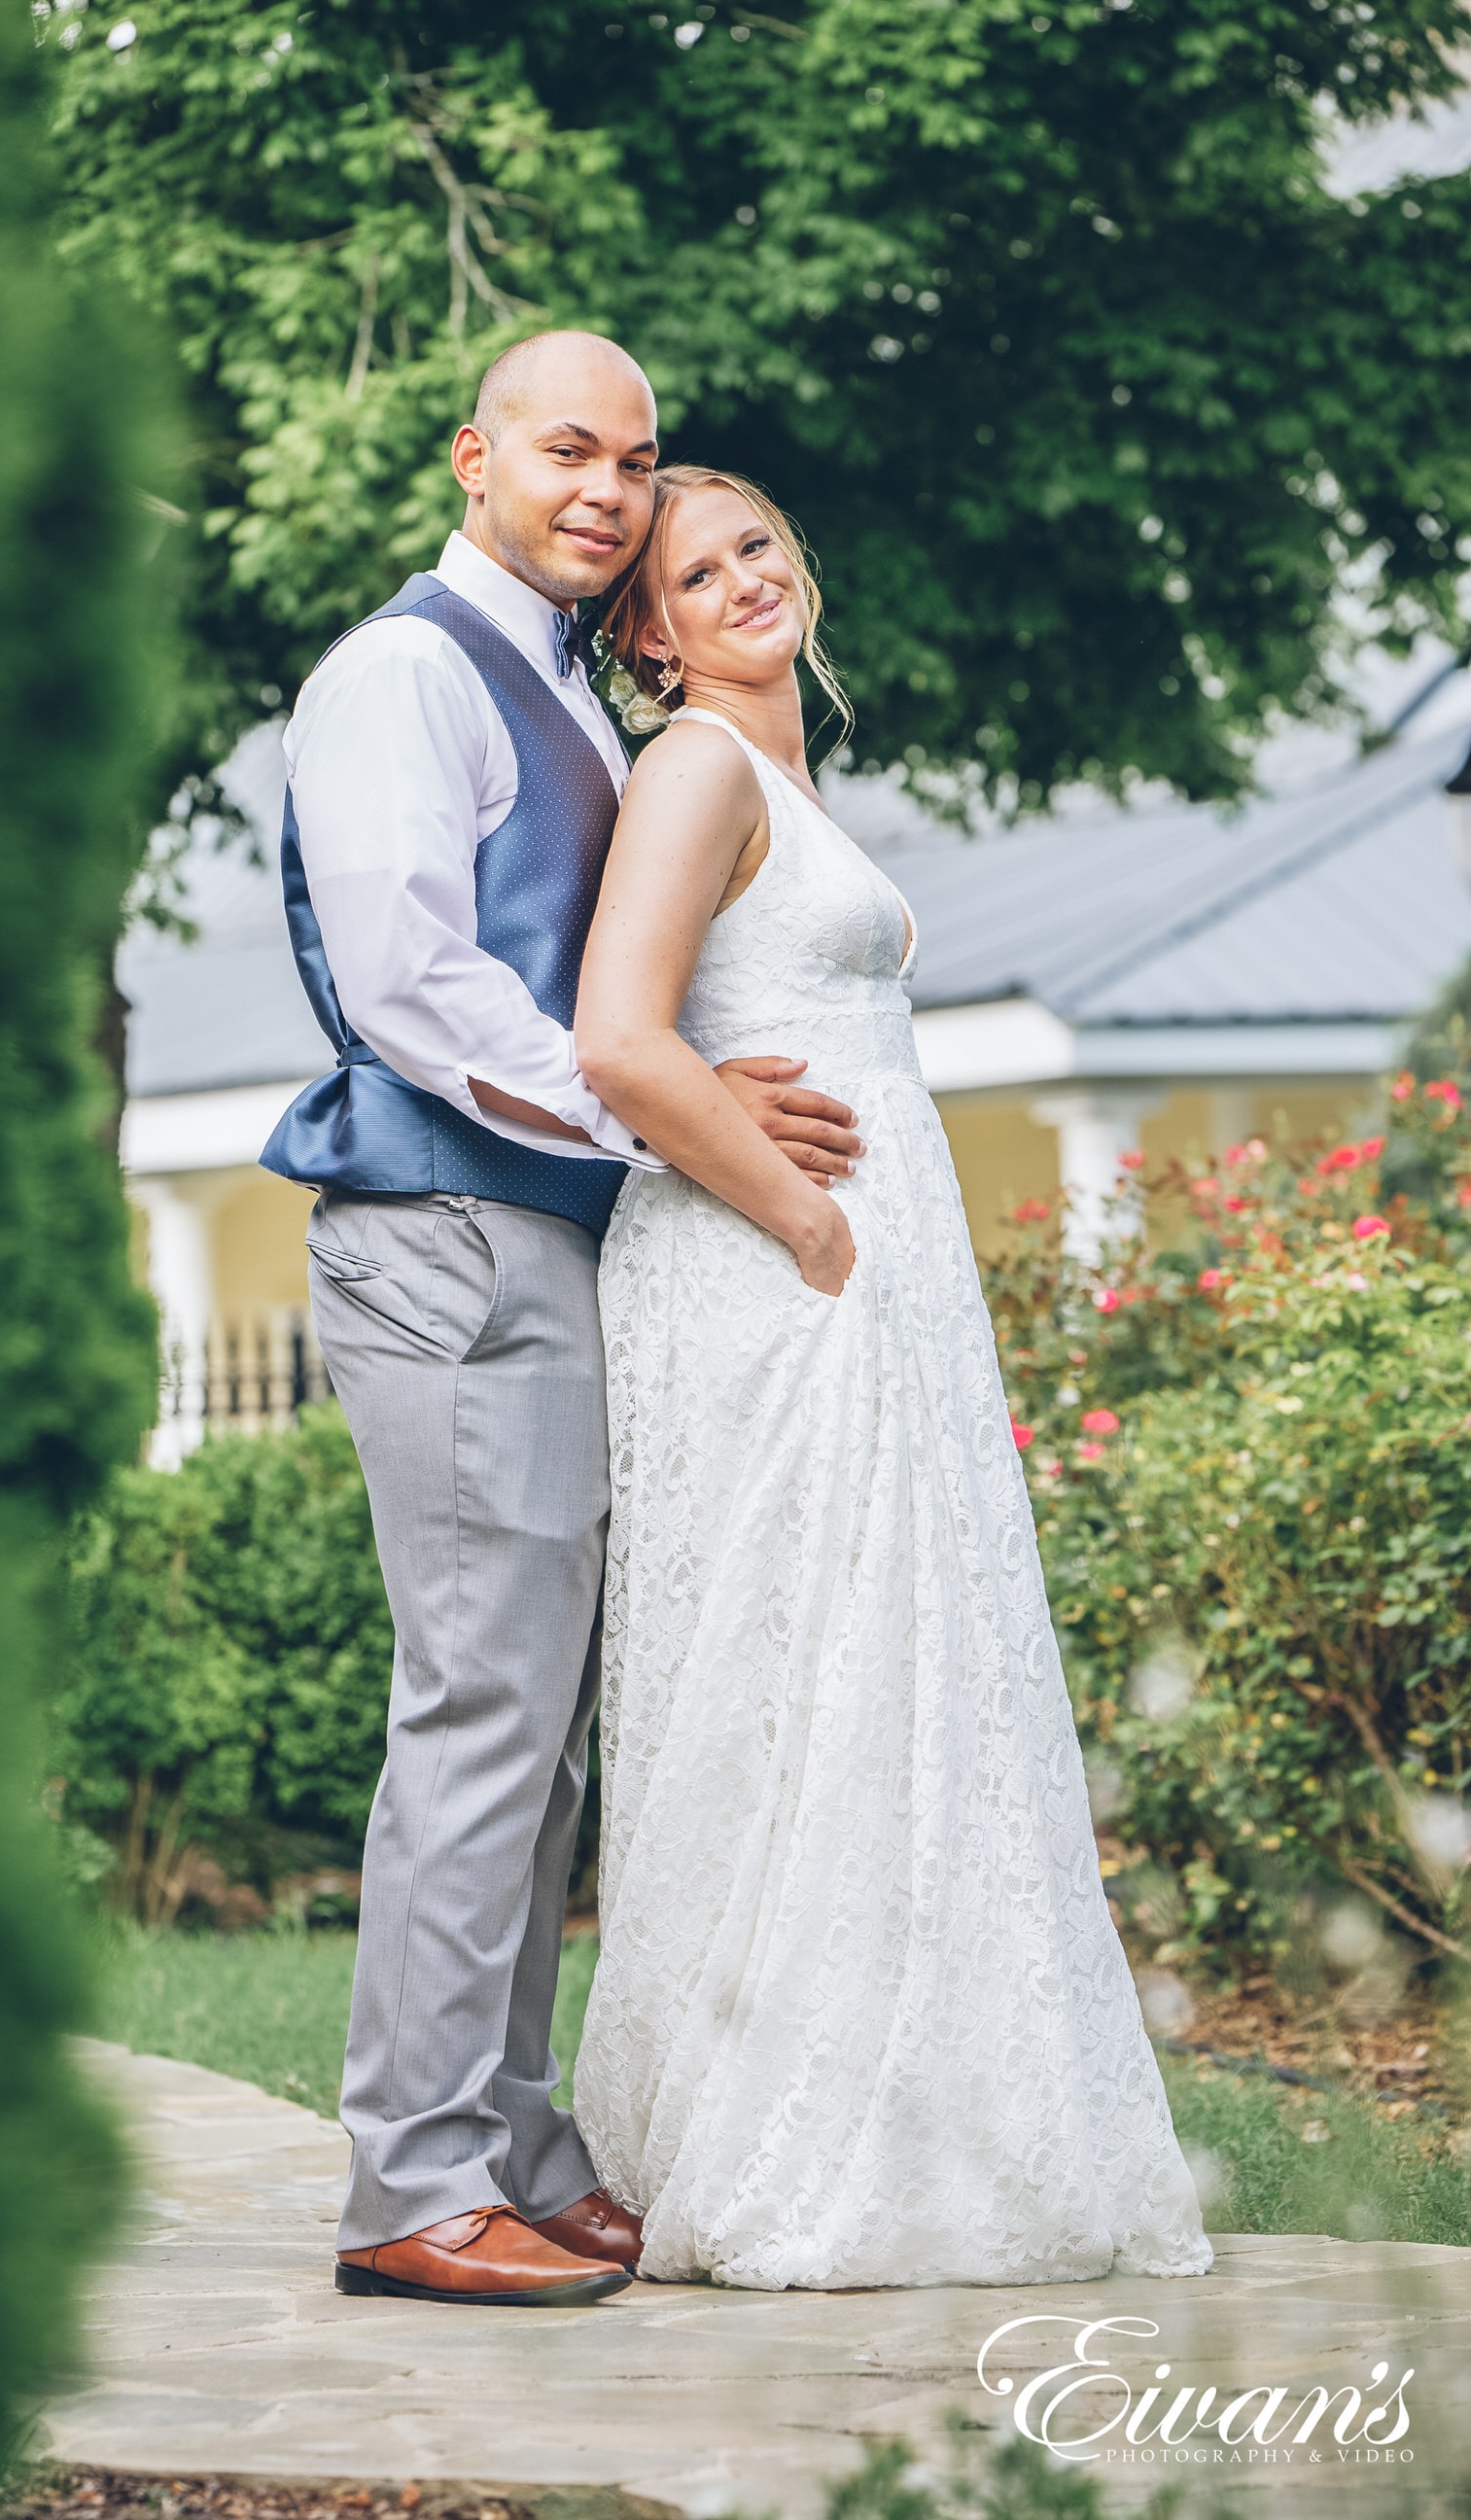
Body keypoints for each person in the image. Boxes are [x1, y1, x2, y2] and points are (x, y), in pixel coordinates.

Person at [262, 340, 863, 2307]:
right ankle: (412, 2183)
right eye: (567, 449)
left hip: (549, 1239)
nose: (607, 485)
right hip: (446, 1233)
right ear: (481, 457)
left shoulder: (572, 704)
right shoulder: (401, 675)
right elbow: (417, 984)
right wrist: (668, 1117)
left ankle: (510, 2140)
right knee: (481, 1712)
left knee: (541, 1735)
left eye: (637, 458)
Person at [569, 465, 1213, 2290]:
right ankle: (799, 2152)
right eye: (695, 574)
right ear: (651, 631)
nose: (743, 580)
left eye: (758, 544)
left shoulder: (778, 780)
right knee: (818, 1672)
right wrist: (808, 1223)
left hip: (848, 1279)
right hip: (784, 1276)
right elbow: (624, 1037)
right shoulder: (697, 769)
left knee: (885, 1676)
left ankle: (915, 2117)